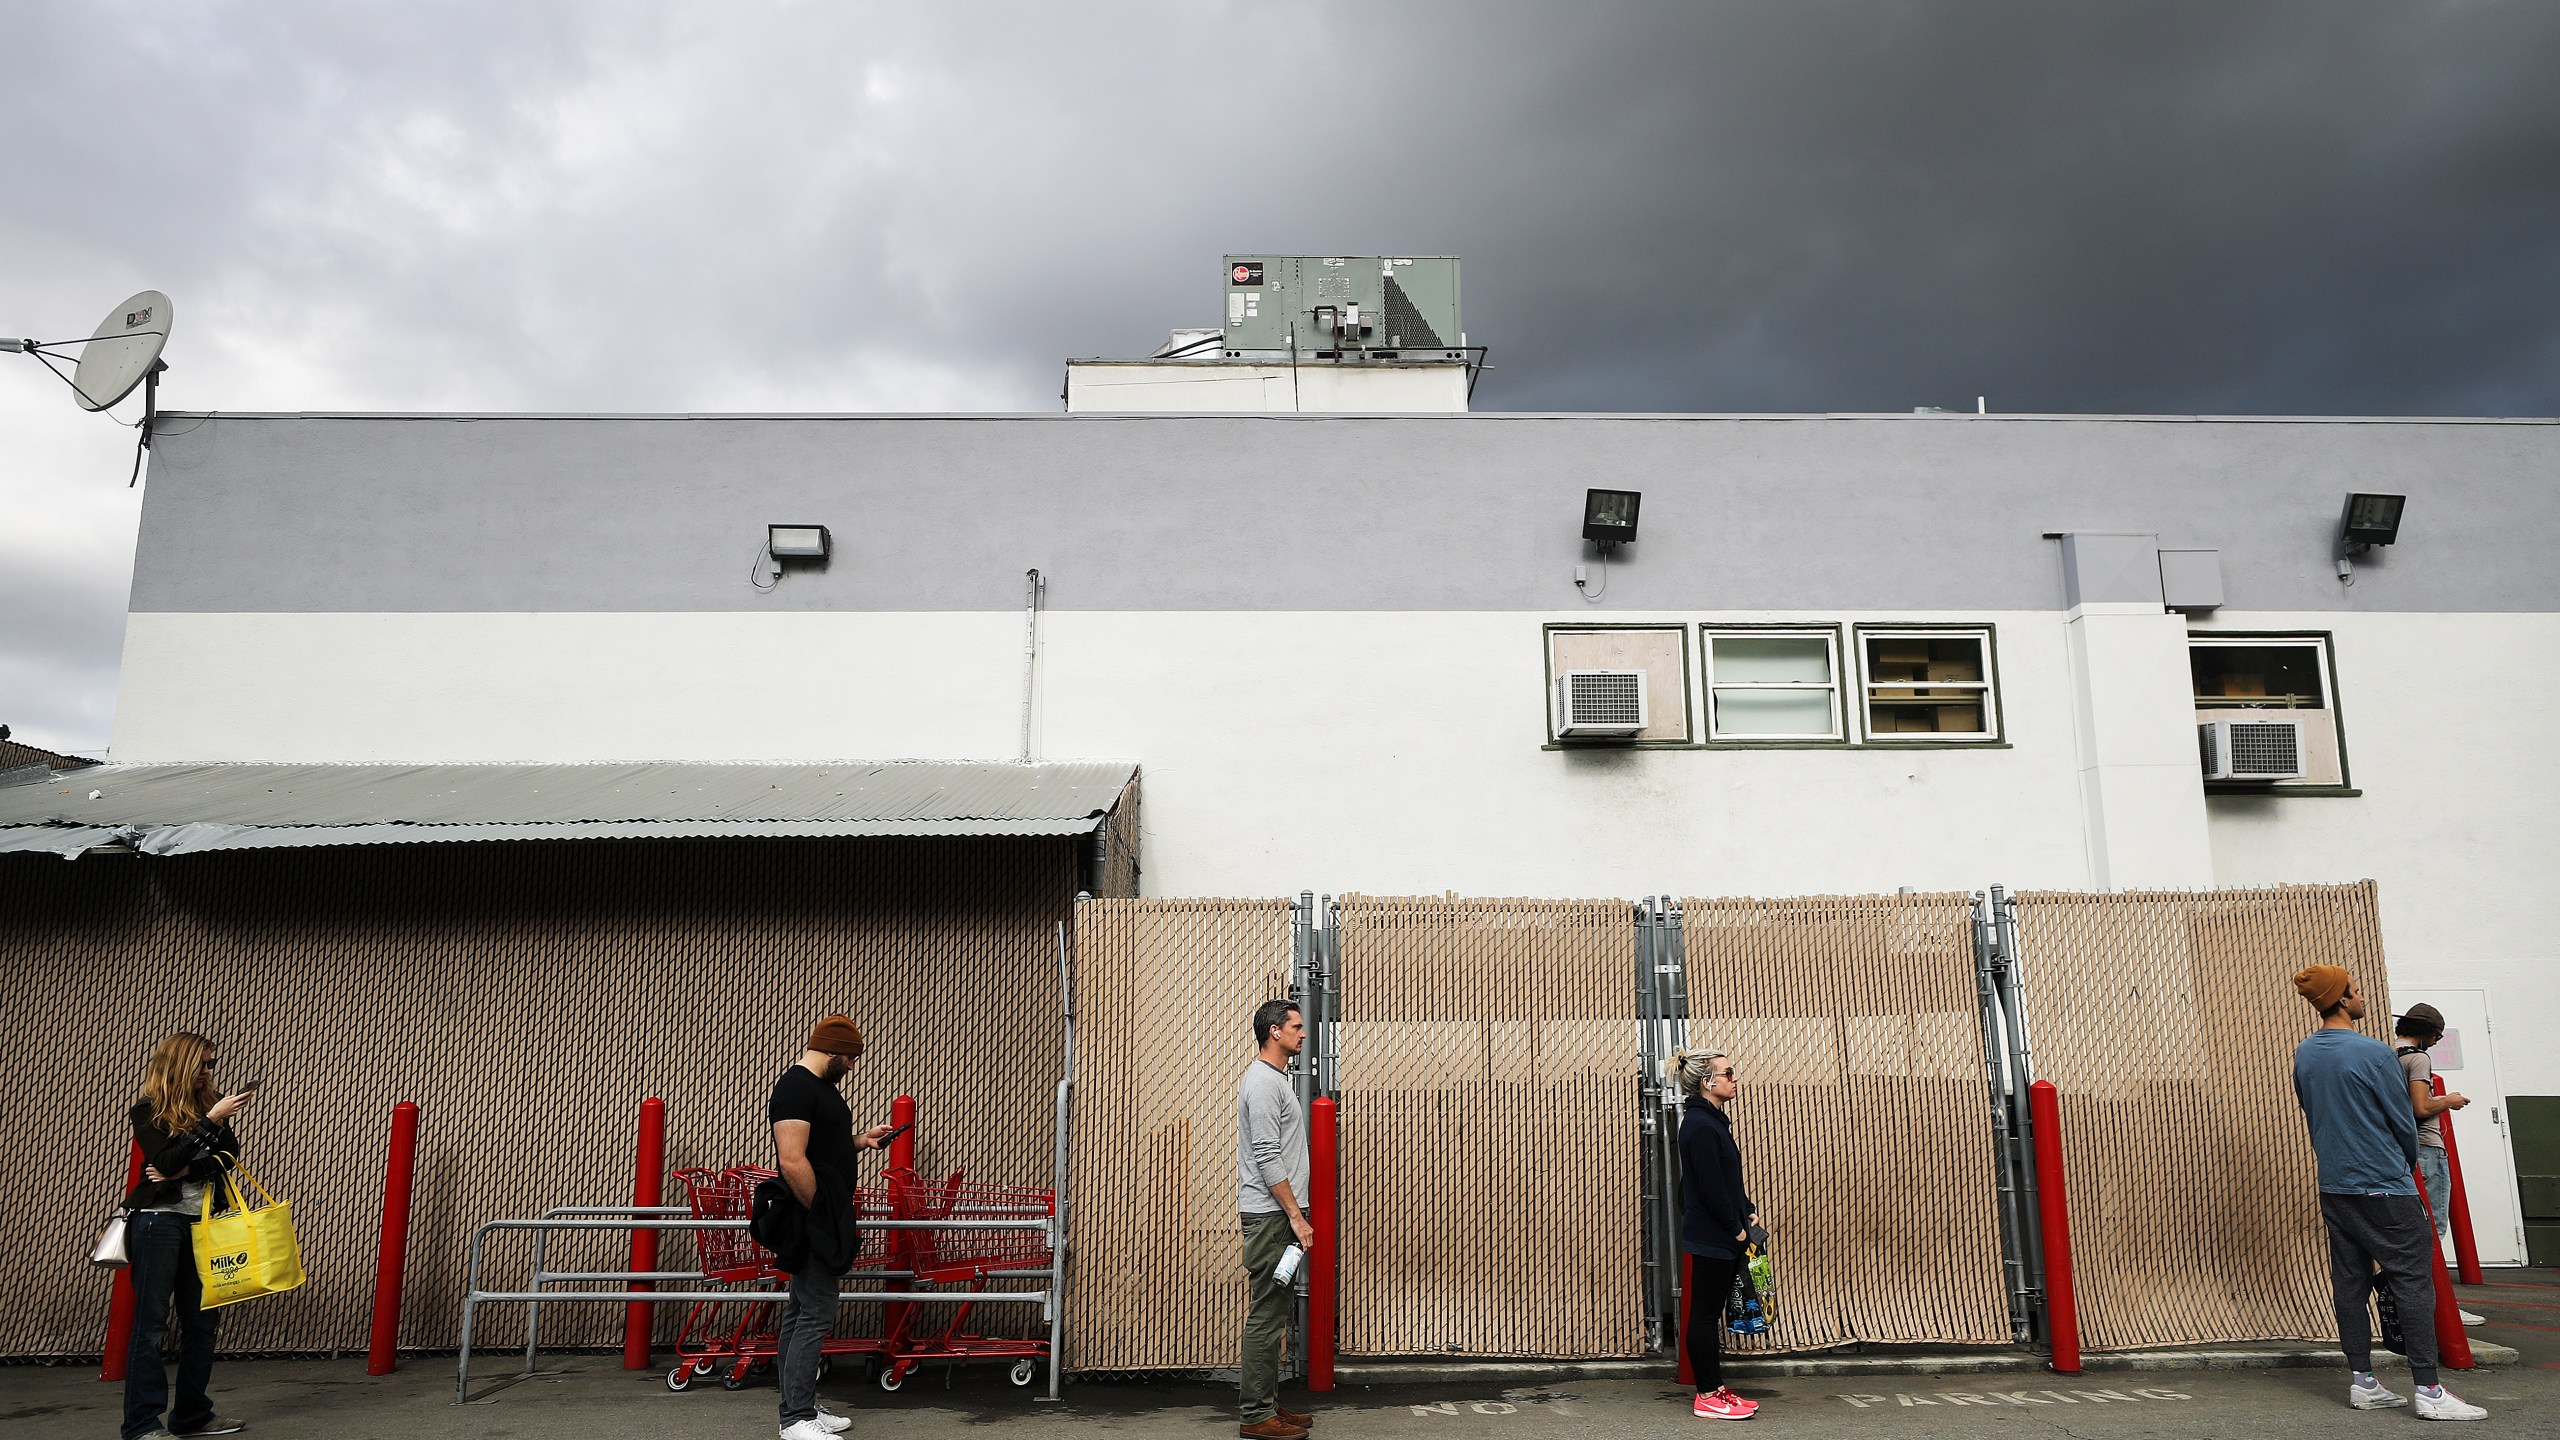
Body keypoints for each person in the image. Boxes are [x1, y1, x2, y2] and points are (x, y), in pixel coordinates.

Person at [2290, 967, 2486, 1421]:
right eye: (2355, 991)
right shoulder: (2375, 1054)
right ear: (2341, 1000)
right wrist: (2403, 1161)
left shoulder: (2305, 1053)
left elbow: (2309, 1107)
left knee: (2350, 1281)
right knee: (2412, 1280)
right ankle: (2430, 1390)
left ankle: (2363, 1382)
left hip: (2335, 1182)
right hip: (2383, 1183)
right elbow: (2404, 1121)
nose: (2361, 997)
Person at [768, 1016, 897, 1440]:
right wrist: (821, 1215)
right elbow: (792, 1159)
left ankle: (799, 1407)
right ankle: (796, 1420)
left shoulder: (821, 1090)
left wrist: (862, 1140)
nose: (852, 1066)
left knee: (802, 1311)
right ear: (831, 1050)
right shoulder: (795, 1089)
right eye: (850, 1057)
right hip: (813, 1220)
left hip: (822, 1215)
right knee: (815, 1314)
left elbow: (824, 1143)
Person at [121, 1032, 253, 1440]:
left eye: (212, 1064)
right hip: (158, 1222)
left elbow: (229, 1156)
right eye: (203, 1064)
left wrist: (189, 1170)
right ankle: (142, 1425)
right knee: (151, 1325)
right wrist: (210, 1122)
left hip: (203, 1224)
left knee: (202, 1323)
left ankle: (192, 1415)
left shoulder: (205, 1106)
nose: (208, 1071)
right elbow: (164, 1159)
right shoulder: (149, 1110)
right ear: (181, 1063)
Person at [1234, 999, 1315, 1440]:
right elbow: (1267, 1157)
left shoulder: (1273, 1081)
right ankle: (1255, 1416)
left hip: (1278, 1217)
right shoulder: (1264, 1084)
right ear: (1275, 1033)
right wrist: (1296, 1218)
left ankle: (1266, 1405)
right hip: (1271, 1219)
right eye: (1296, 1027)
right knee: (1266, 1318)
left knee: (1273, 1314)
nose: (1303, 1034)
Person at [1670, 1047, 1759, 1421]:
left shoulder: (1711, 1122)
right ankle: (1707, 1394)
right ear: (1709, 1082)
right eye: (1728, 1072)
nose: (1735, 1078)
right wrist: (1736, 1229)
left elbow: (1726, 1179)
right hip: (1713, 1237)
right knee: (1704, 1317)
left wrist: (1747, 1208)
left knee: (1709, 1314)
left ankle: (1716, 1387)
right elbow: (1708, 1187)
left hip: (1719, 1234)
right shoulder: (1701, 1126)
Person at [2393, 1006, 2485, 1328]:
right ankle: (2441, 1308)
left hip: (2403, 1150)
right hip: (2428, 1150)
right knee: (2433, 1231)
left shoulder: (2392, 1056)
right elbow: (2421, 1106)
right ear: (2427, 1031)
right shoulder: (2418, 1059)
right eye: (2436, 1035)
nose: (2436, 1042)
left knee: (2412, 1230)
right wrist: (2448, 1100)